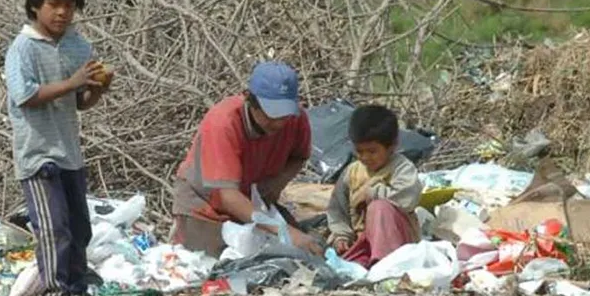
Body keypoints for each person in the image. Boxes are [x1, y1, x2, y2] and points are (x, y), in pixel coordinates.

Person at [4, 0, 112, 296]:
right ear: (35, 5)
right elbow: (26, 96)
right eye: (54, 4)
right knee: (53, 227)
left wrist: (97, 89)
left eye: (69, 5)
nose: (62, 12)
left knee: (79, 225)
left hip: (69, 152)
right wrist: (74, 81)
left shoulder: (78, 46)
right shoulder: (22, 49)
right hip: (37, 153)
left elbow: (80, 103)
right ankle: (55, 291)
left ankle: (77, 284)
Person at [170, 61, 323, 258]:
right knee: (215, 264)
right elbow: (228, 197)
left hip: (253, 201)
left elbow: (299, 157)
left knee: (302, 252)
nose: (278, 123)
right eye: (272, 114)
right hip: (205, 204)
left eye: (284, 115)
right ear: (250, 100)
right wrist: (283, 230)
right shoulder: (224, 123)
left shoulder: (296, 119)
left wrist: (275, 185)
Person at [326, 104, 422, 268]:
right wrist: (341, 236)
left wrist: (373, 193)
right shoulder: (352, 172)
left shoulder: (401, 168)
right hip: (364, 242)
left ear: (391, 147)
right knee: (346, 266)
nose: (365, 157)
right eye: (359, 151)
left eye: (372, 151)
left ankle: (385, 266)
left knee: (379, 208)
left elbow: (407, 199)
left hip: (398, 246)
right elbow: (337, 209)